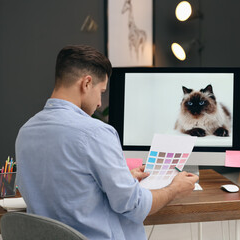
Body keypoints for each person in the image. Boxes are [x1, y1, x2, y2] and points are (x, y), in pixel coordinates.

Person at [15, 45, 199, 240]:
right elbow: (134, 206)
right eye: (101, 91)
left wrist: (121, 177)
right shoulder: (95, 133)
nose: (100, 103)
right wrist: (174, 189)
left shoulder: (25, 132)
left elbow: (68, 187)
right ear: (86, 83)